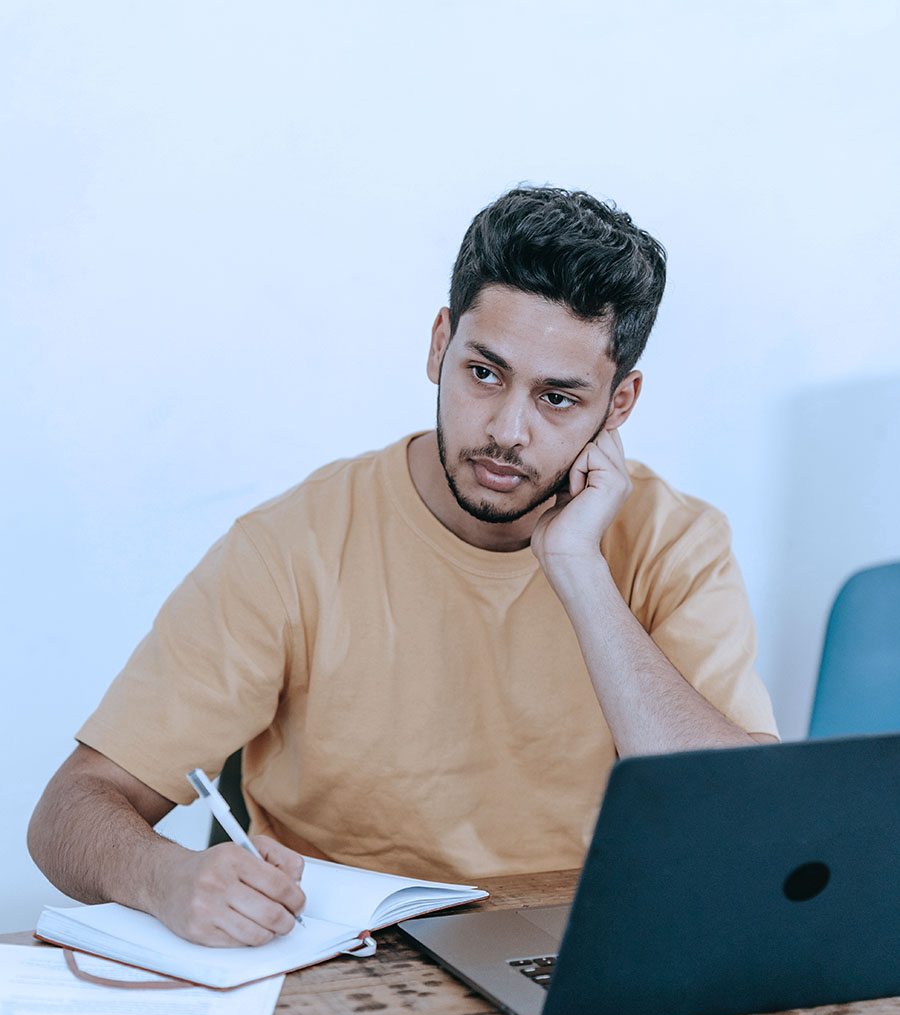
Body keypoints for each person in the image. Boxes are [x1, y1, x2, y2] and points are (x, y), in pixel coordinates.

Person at [28, 187, 778, 950]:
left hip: (585, 952)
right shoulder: (292, 545)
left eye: (557, 398)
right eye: (484, 373)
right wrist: (166, 878)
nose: (506, 431)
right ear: (439, 345)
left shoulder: (673, 541)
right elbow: (70, 809)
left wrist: (579, 570)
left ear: (618, 406)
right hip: (345, 967)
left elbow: (747, 823)